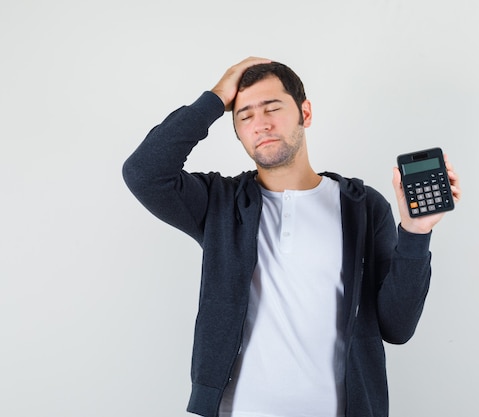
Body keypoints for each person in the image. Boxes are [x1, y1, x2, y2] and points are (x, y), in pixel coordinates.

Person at [122, 56, 461, 417]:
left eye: (272, 108)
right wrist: (216, 97)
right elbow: (144, 172)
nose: (261, 124)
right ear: (236, 131)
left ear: (306, 113)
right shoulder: (219, 205)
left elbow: (397, 327)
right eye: (245, 116)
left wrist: (415, 232)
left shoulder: (362, 207)